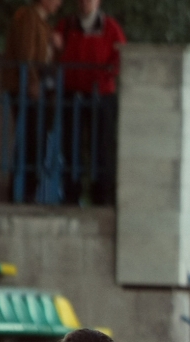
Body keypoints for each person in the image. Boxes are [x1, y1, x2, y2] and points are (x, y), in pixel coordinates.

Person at [56, 0, 124, 205]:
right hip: (71, 93)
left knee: (101, 147)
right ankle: (70, 193)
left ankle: (102, 196)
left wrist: (106, 76)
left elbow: (120, 56)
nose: (86, 2)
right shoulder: (66, 25)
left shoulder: (110, 27)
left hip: (101, 95)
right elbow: (54, 54)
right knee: (70, 146)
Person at [2, 0, 63, 202]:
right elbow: (26, 54)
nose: (59, 3)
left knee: (35, 141)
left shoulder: (43, 22)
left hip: (37, 89)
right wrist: (32, 83)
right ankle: (22, 193)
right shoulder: (29, 17)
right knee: (31, 140)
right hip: (26, 89)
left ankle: (26, 191)